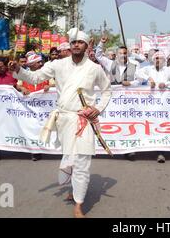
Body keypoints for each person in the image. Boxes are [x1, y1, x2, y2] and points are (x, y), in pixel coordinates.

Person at [9, 27, 111, 218]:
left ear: (87, 46)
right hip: (64, 119)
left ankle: (79, 204)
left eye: (80, 42)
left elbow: (107, 90)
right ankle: (74, 187)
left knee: (82, 161)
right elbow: (35, 77)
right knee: (70, 158)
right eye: (73, 42)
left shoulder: (95, 68)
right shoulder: (58, 65)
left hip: (83, 120)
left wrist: (98, 108)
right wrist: (18, 70)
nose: (76, 45)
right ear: (70, 46)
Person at [136, 51, 170, 163]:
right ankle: (145, 147)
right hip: (150, 103)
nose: (158, 60)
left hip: (164, 104)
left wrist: (165, 84)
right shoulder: (148, 69)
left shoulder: (168, 70)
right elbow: (138, 73)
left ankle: (160, 151)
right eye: (156, 58)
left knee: (162, 126)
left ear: (164, 60)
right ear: (153, 60)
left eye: (161, 58)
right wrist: (149, 79)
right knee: (149, 125)